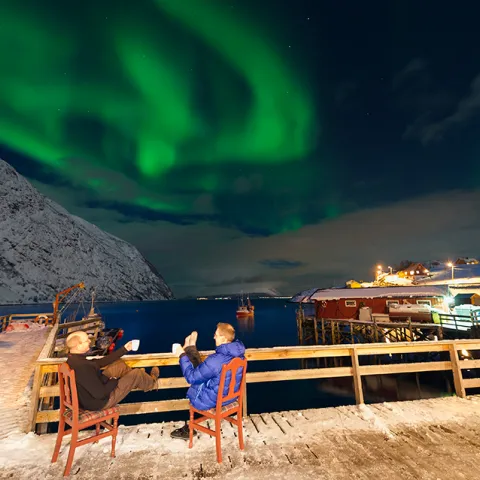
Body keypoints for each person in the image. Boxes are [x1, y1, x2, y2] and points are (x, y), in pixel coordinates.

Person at [171, 322, 246, 440]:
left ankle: (187, 350)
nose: (213, 337)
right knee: (202, 370)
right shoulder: (240, 356)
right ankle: (191, 348)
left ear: (224, 338)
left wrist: (181, 355)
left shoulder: (215, 360)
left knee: (195, 379)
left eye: (216, 335)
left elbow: (190, 377)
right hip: (231, 398)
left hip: (212, 401)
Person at [66, 331, 159, 411]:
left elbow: (100, 362)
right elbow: (100, 394)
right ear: (78, 346)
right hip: (99, 403)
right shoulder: (83, 367)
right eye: (86, 340)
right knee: (137, 374)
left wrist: (125, 348)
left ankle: (140, 380)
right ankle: (151, 382)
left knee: (119, 365)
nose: (90, 341)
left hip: (89, 395)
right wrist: (113, 381)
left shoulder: (73, 360)